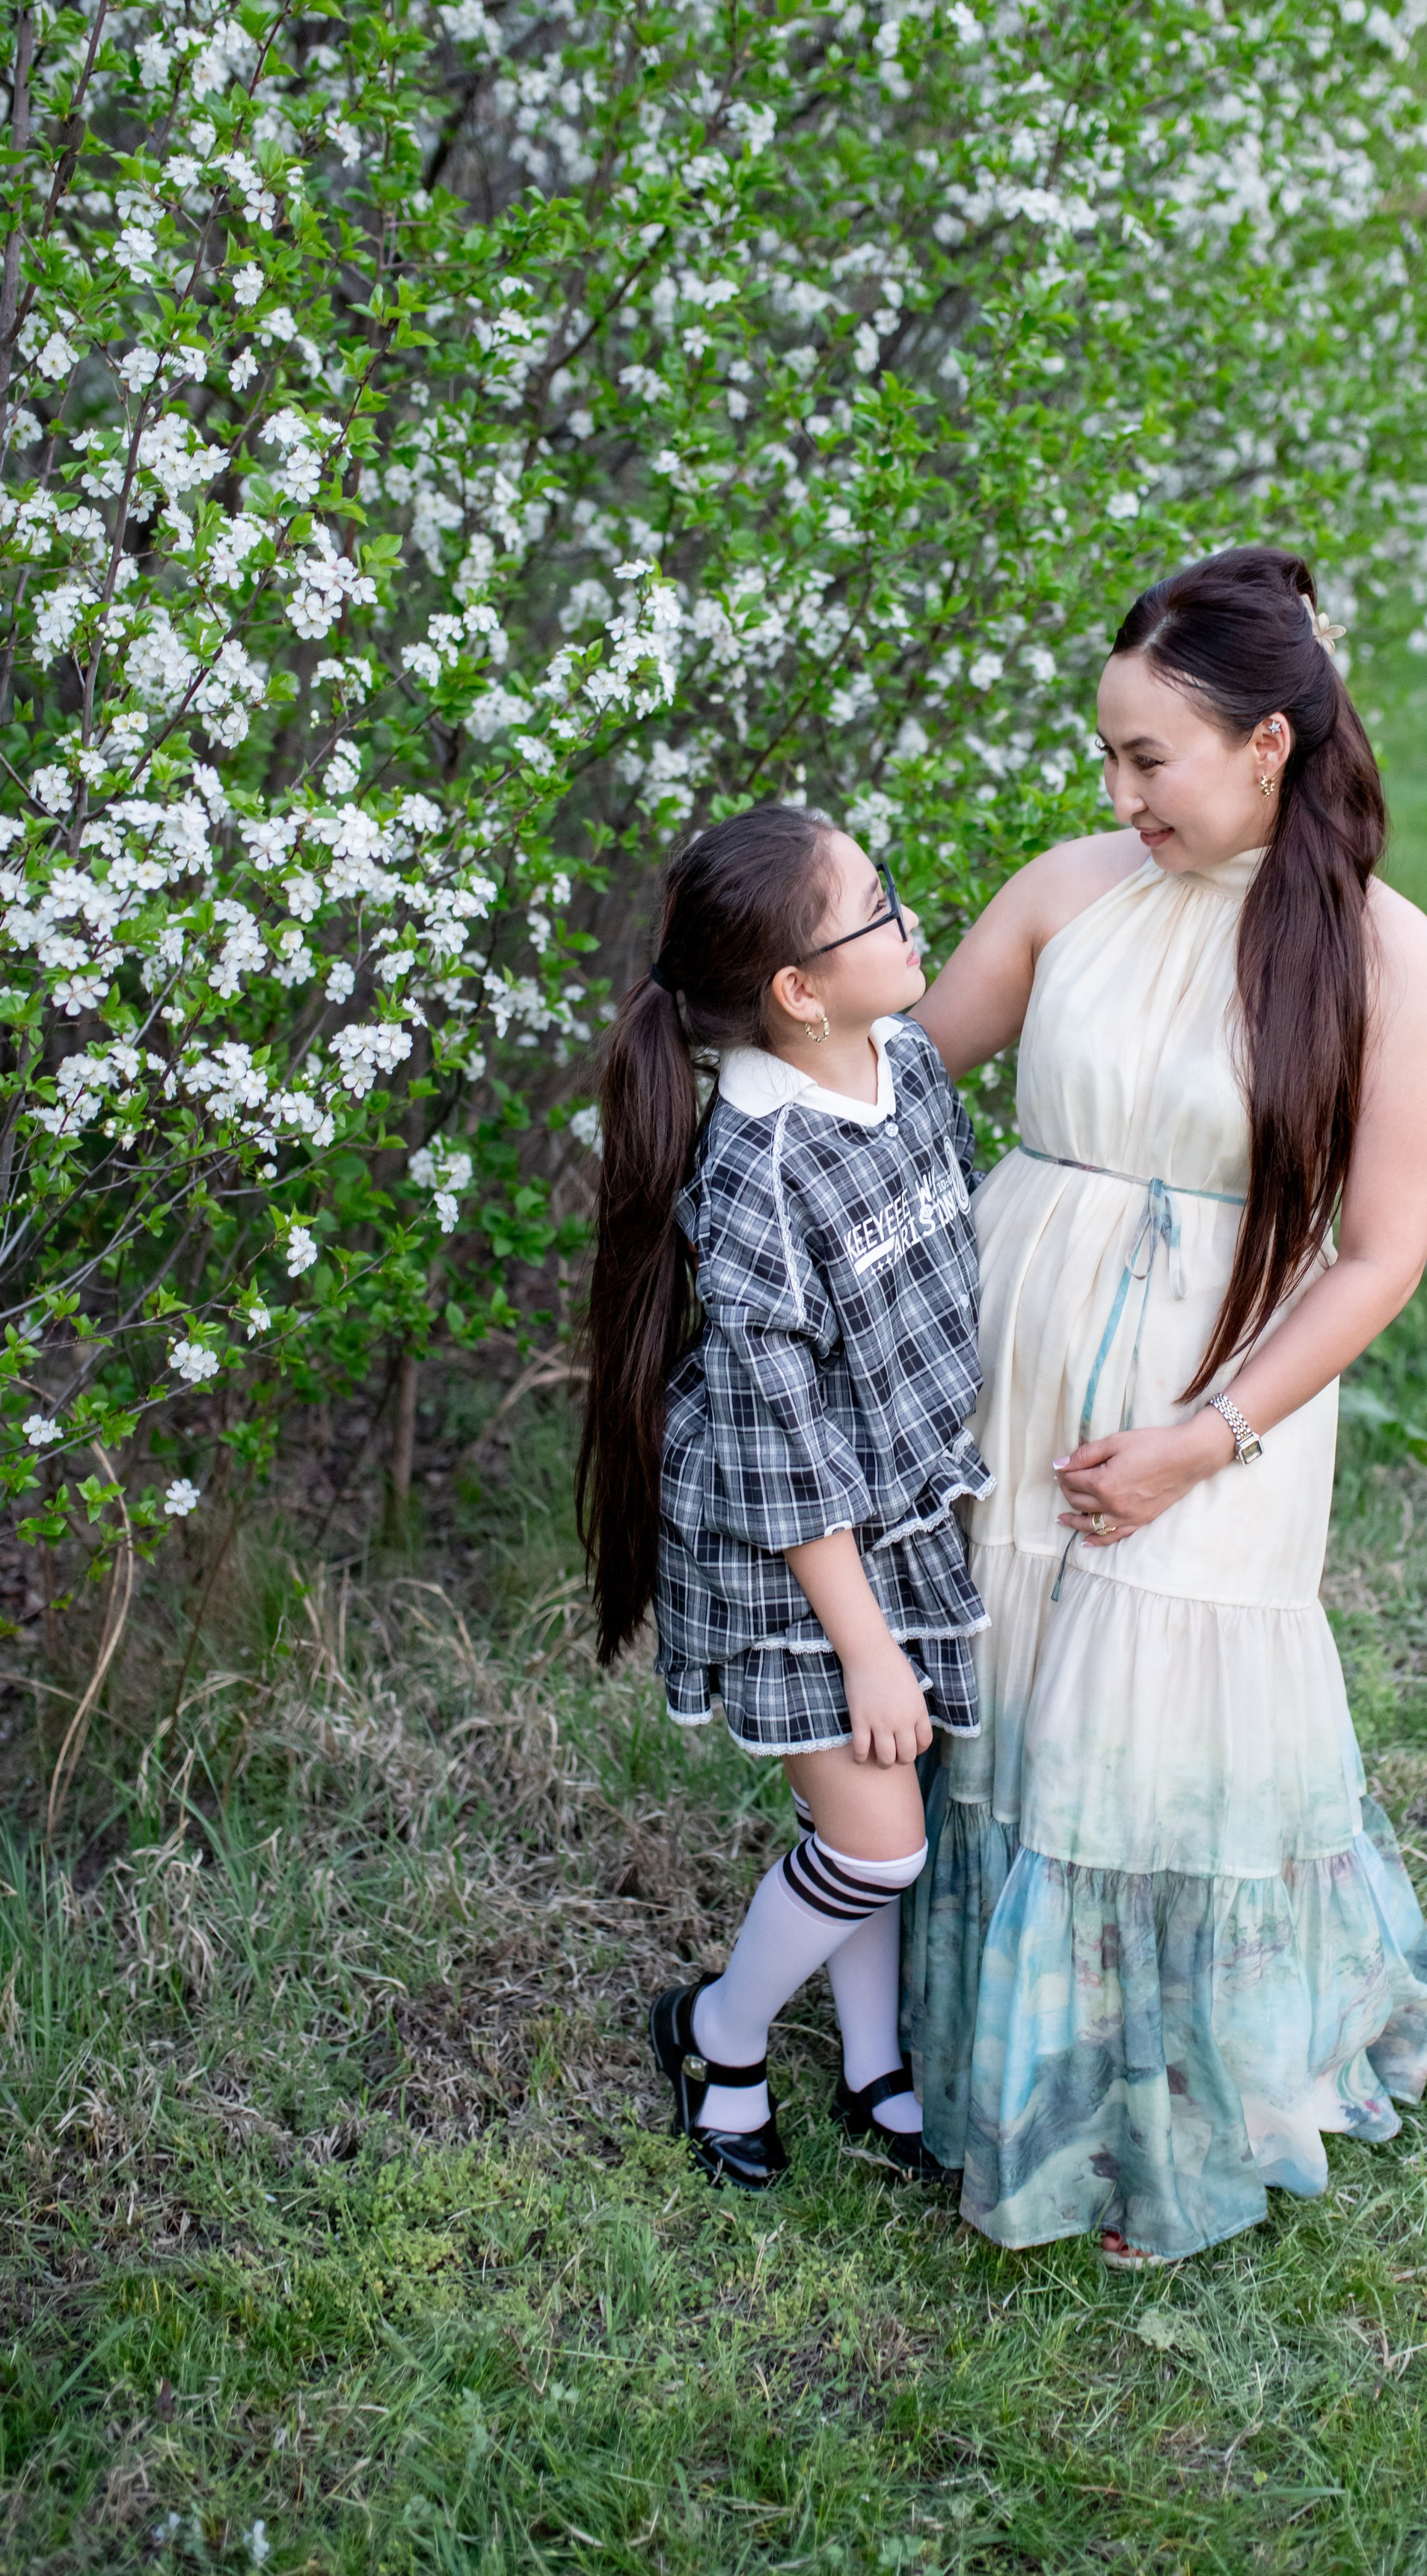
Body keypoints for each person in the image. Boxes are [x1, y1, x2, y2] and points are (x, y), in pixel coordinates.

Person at [907, 544, 1427, 2266]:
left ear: (1265, 744)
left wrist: (1200, 1439)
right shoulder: (1069, 890)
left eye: (1148, 757)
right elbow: (904, 1081)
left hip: (1218, 1402)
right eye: (1107, 756)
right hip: (1013, 1371)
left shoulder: (1381, 955)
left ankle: (1158, 2118)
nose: (1118, 793)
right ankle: (996, 2062)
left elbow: (1378, 1255)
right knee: (1016, 1702)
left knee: (1144, 1735)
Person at [576, 804, 991, 2189]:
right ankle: (719, 2032)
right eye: (876, 908)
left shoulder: (906, 1061)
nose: (908, 918)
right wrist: (867, 1647)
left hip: (895, 1505)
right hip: (789, 1545)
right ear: (799, 993)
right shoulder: (756, 1175)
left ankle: (873, 2068)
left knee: (872, 1807)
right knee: (881, 1845)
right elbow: (786, 1452)